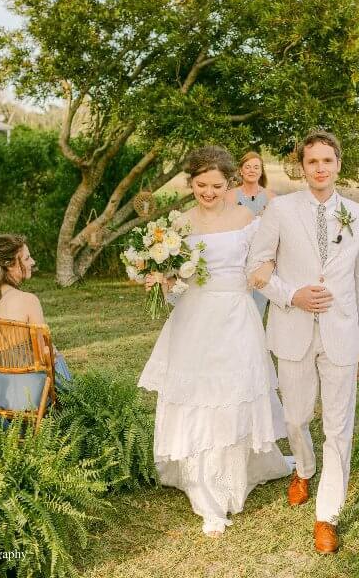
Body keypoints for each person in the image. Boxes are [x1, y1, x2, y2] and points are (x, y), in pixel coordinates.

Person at [138, 145, 292, 537]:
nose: (208, 192)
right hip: (194, 319)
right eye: (200, 184)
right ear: (191, 182)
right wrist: (163, 282)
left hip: (237, 315)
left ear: (231, 183)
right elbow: (176, 288)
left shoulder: (247, 218)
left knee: (236, 392)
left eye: (216, 185)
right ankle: (207, 492)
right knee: (201, 398)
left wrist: (281, 286)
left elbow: (261, 264)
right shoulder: (178, 225)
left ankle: (245, 467)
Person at [246, 129, 359, 554]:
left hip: (343, 333)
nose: (320, 168)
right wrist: (292, 295)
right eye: (312, 162)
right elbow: (256, 267)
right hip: (292, 328)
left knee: (339, 428)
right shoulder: (281, 210)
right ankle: (303, 467)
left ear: (339, 164)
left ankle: (327, 515)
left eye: (327, 160)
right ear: (302, 167)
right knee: (298, 418)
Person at [0, 235, 72, 411]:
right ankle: (76, 410)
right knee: (56, 358)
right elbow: (44, 354)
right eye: (26, 258)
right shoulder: (28, 300)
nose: (32, 262)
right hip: (24, 395)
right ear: (10, 265)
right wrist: (55, 354)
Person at [225, 151, 278, 317]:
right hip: (237, 260)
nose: (252, 170)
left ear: (261, 171)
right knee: (236, 308)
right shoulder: (230, 196)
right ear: (241, 170)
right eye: (247, 167)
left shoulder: (271, 197)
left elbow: (277, 231)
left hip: (261, 260)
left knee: (258, 307)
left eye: (256, 167)